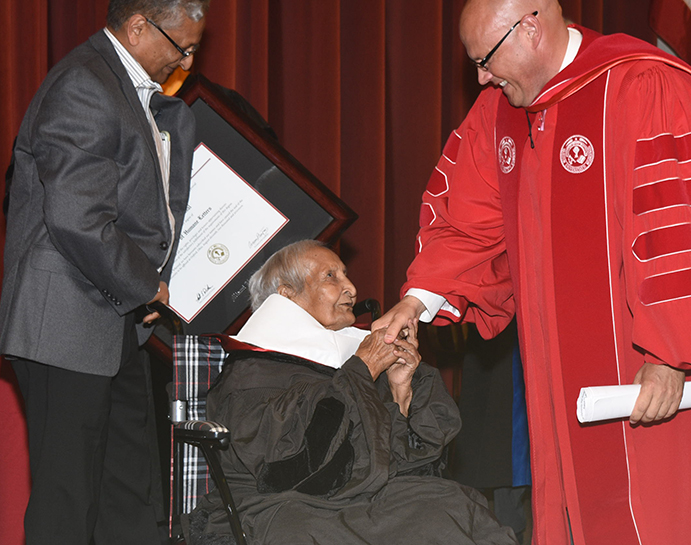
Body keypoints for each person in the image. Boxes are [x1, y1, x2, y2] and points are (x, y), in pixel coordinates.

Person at [372, 1, 691, 544]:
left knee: (665, 521)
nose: (480, 77)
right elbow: (467, 224)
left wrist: (670, 356)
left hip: (653, 380)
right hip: (559, 390)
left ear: (530, 27)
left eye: (486, 59)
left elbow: (688, 234)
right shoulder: (498, 112)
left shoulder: (643, 86)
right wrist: (418, 301)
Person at [0, 1, 209, 543]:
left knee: (130, 493)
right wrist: (146, 283)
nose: (185, 60)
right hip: (66, 322)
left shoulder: (135, 92)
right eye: (180, 46)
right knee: (68, 499)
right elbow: (76, 217)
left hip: (117, 319)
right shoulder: (85, 84)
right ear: (138, 26)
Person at [187, 240, 517, 545]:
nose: (351, 289)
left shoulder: (353, 357)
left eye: (346, 274)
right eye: (330, 276)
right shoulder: (251, 372)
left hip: (358, 498)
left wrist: (400, 391)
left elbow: (404, 468)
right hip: (277, 506)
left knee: (452, 506)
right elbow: (288, 471)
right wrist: (363, 369)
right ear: (286, 295)